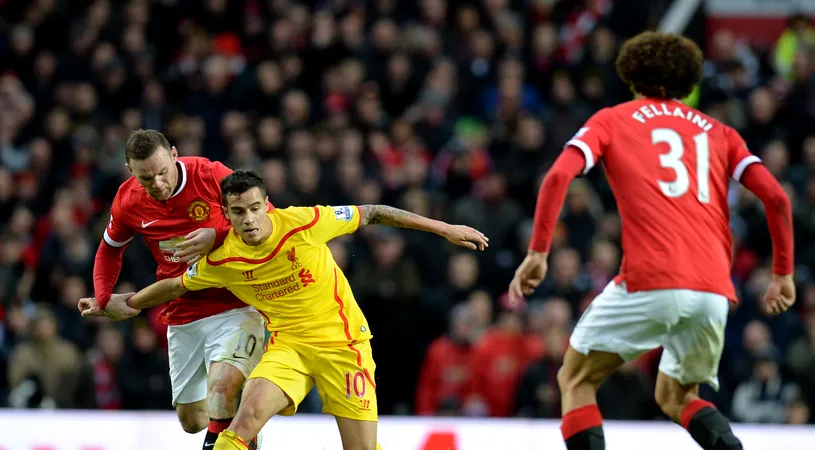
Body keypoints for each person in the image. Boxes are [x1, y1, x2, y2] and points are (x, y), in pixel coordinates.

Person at [508, 31, 795, 450]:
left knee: (575, 378)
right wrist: (783, 273)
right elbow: (777, 198)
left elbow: (556, 176)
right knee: (676, 396)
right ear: (688, 81)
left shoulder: (612, 119)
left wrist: (538, 252)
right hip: (713, 290)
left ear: (632, 76)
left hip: (652, 278)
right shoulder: (721, 133)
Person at [83, 169, 489, 450]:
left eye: (255, 208)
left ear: (266, 205)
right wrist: (127, 304)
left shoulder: (304, 223)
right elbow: (176, 284)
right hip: (288, 348)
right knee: (242, 424)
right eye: (238, 212)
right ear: (226, 215)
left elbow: (374, 212)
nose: (249, 219)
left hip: (343, 346)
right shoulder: (223, 260)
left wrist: (446, 229)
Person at [77, 130, 268, 449]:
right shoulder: (128, 200)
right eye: (147, 177)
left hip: (236, 301)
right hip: (183, 308)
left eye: (163, 172)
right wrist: (105, 297)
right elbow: (109, 250)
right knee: (192, 420)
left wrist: (218, 234)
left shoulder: (211, 175)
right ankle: (239, 424)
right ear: (130, 170)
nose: (158, 184)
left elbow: (265, 218)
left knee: (223, 388)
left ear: (175, 155)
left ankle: (241, 434)